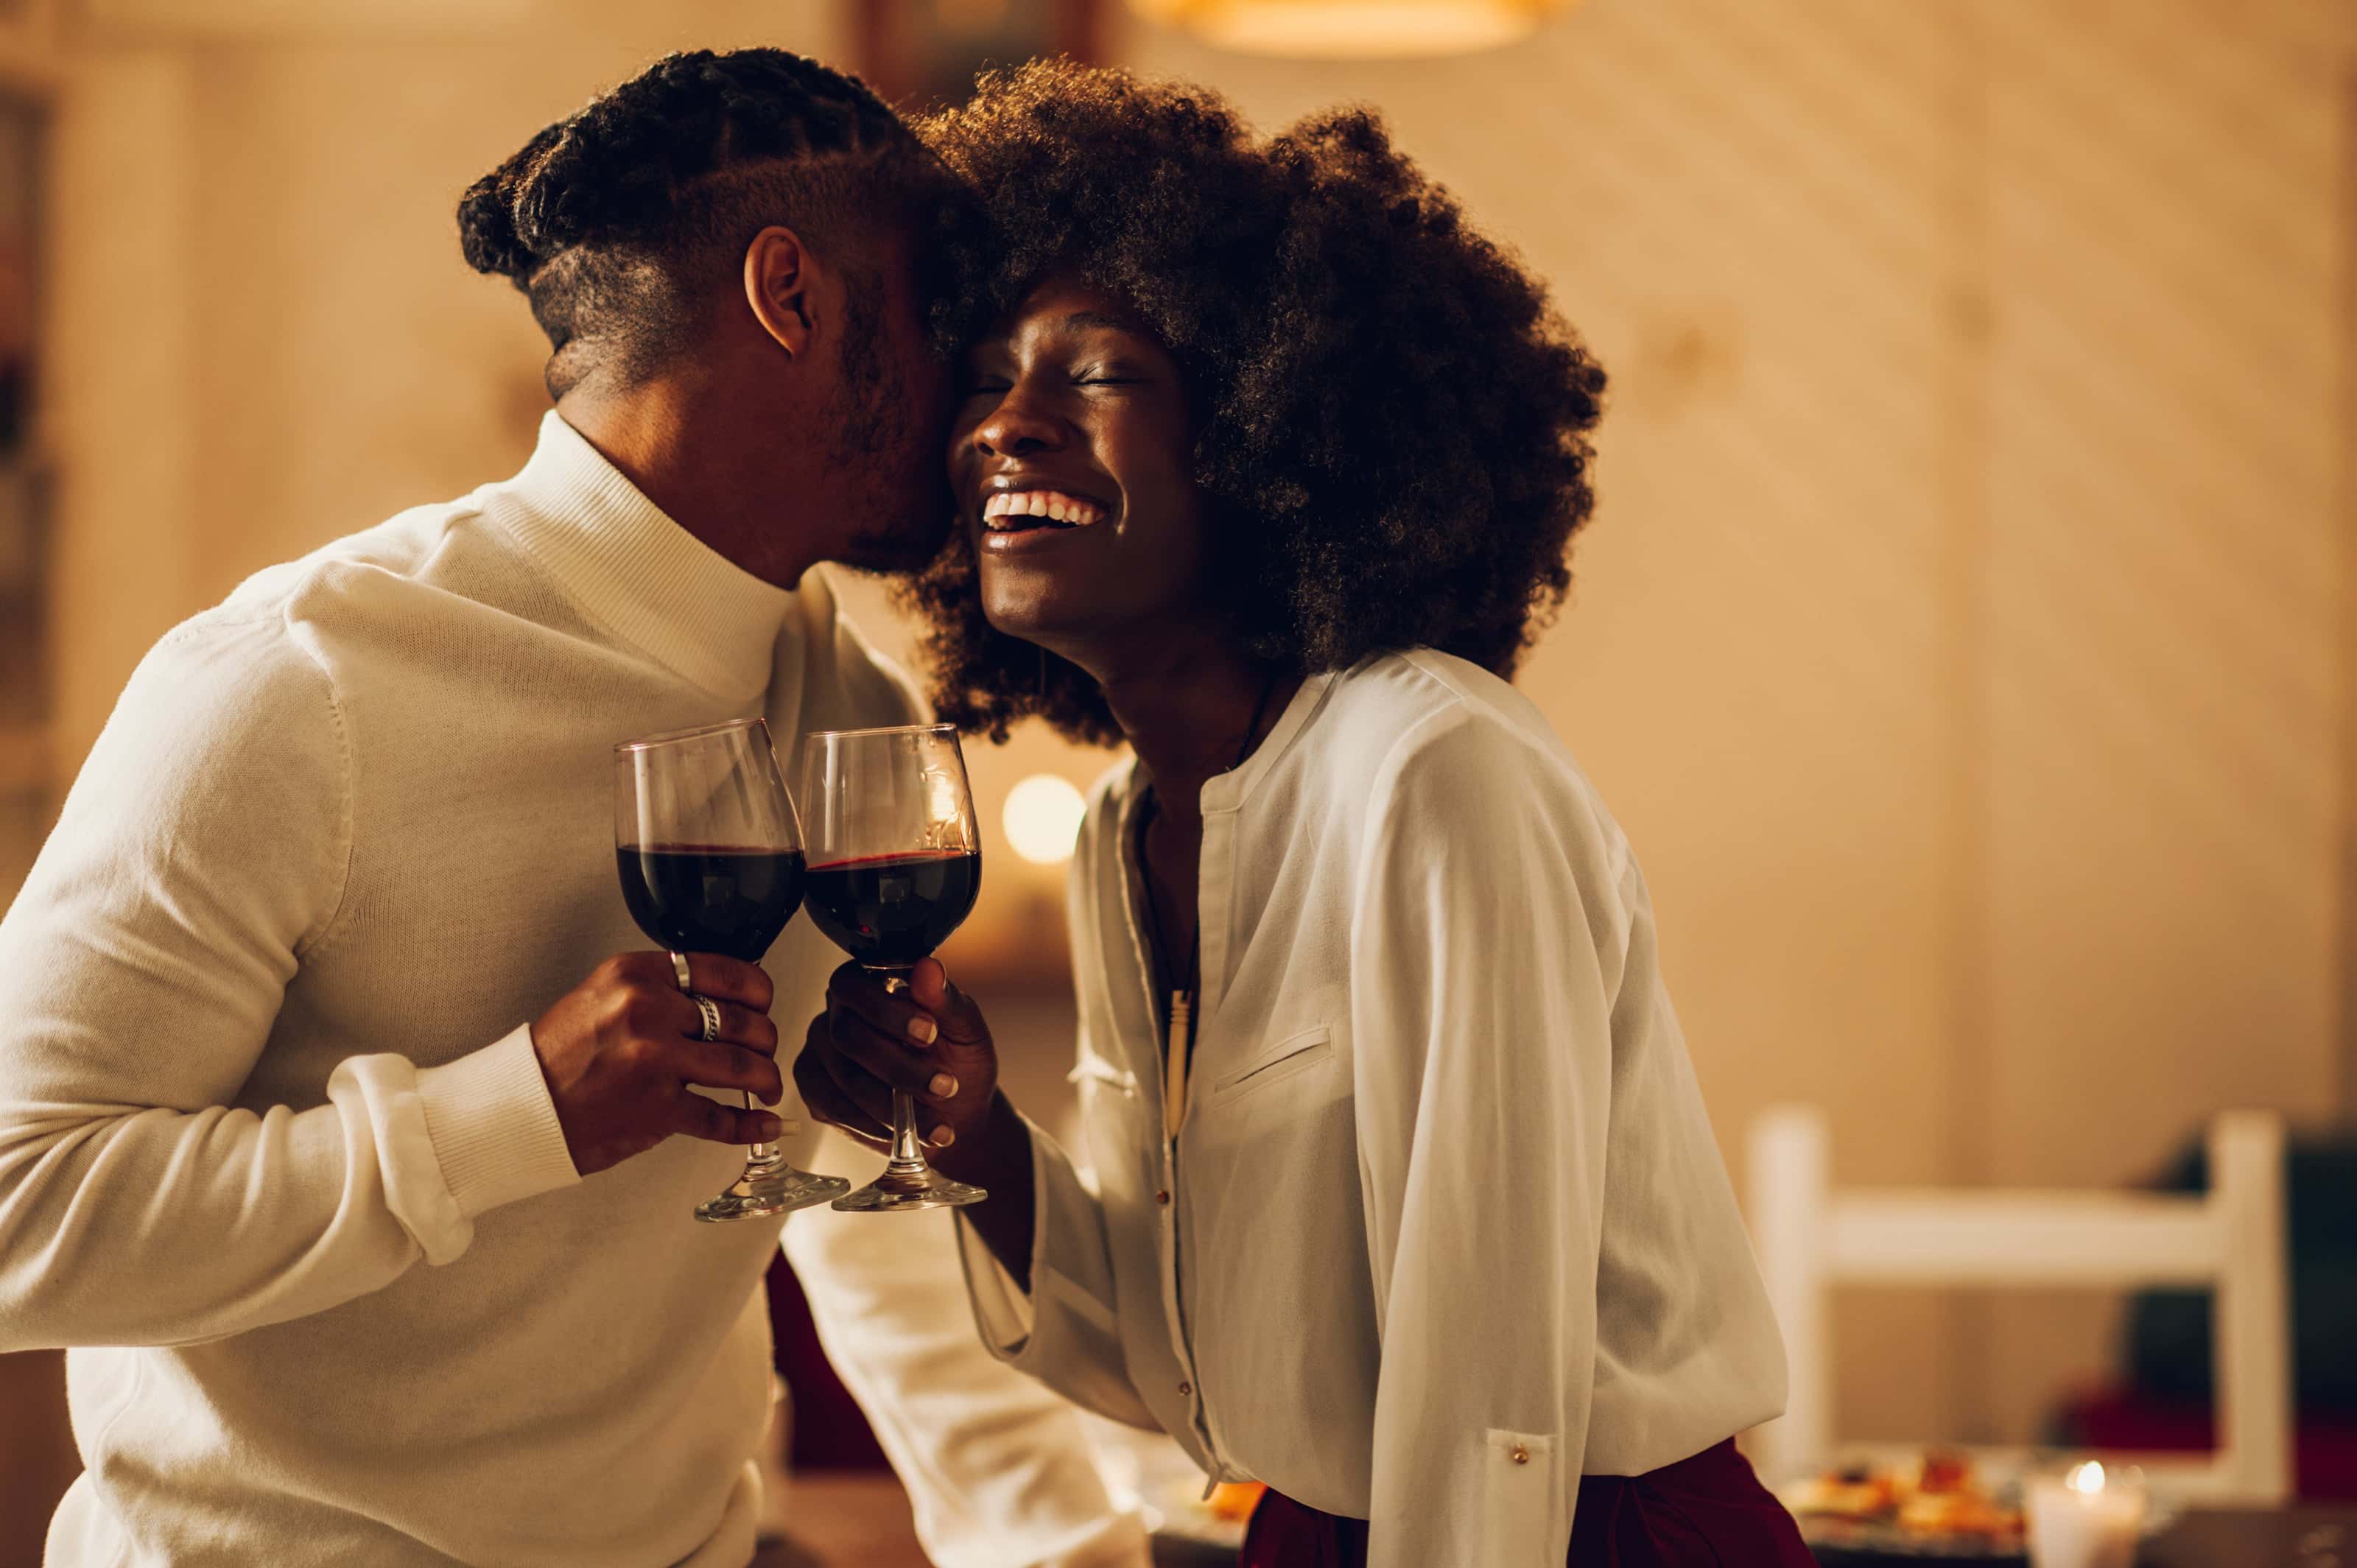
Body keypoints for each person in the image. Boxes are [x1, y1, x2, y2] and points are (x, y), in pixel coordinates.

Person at [0, 50, 1146, 1568]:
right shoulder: (297, 686)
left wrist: (1058, 1549)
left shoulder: (852, 709)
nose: (983, 402)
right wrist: (504, 1120)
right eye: (945, 316)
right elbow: (18, 1212)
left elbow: (861, 1205)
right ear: (788, 296)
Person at [795, 61, 1814, 1568]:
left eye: (1093, 373)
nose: (1006, 427)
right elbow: (1180, 1361)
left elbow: (1488, 1408)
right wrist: (968, 1134)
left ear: (1270, 430)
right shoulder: (1124, 826)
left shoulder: (1433, 770)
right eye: (989, 379)